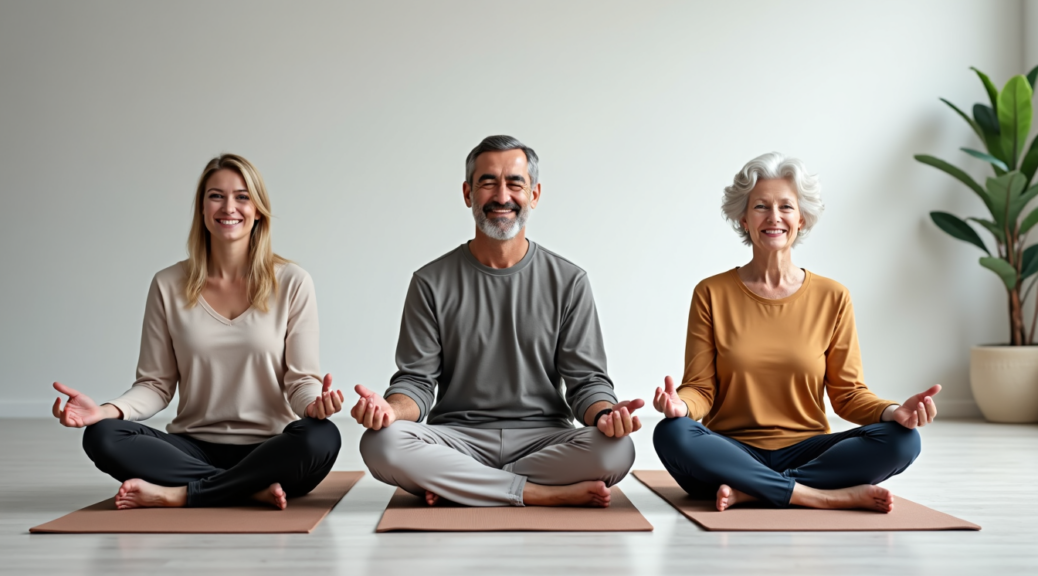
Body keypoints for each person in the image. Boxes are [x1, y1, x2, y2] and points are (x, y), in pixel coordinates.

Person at [353, 135, 641, 508]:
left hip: (544, 439)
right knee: (381, 442)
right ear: (467, 193)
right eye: (488, 182)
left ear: (534, 195)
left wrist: (606, 415)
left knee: (616, 451)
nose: (501, 196)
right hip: (457, 438)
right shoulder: (430, 282)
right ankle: (532, 493)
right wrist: (390, 411)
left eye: (515, 183)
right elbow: (417, 382)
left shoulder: (569, 281)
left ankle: (463, 485)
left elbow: (587, 382)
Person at [51, 154, 343, 510]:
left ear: (258, 210)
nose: (229, 207)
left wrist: (315, 404)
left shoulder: (293, 282)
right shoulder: (167, 284)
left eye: (242, 196)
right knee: (103, 436)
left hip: (270, 446)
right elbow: (155, 385)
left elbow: (300, 381)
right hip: (192, 446)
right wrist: (106, 410)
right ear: (202, 209)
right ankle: (245, 489)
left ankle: (182, 493)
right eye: (215, 195)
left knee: (321, 437)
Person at [652, 152, 939, 513]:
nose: (774, 218)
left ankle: (754, 490)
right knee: (671, 433)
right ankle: (814, 495)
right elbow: (701, 388)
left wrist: (894, 411)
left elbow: (848, 394)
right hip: (731, 448)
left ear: (801, 219)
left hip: (807, 449)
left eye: (786, 207)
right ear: (743, 217)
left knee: (903, 441)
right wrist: (682, 405)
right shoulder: (711, 292)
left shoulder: (832, 296)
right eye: (761, 207)